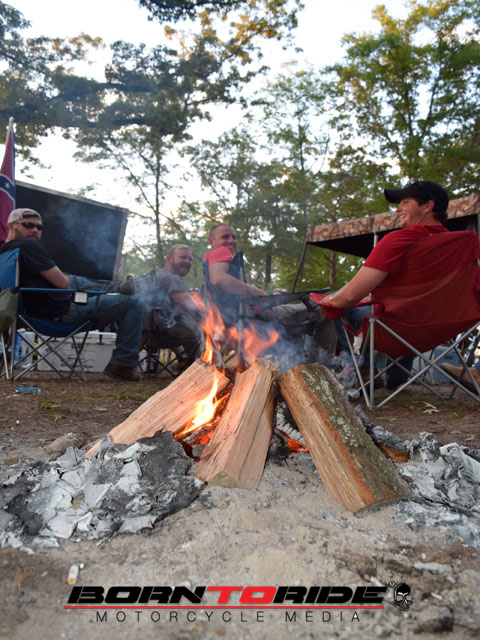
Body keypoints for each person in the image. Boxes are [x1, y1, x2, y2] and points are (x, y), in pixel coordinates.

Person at [320, 179, 450, 389]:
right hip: (440, 329)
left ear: (428, 206)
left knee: (337, 302)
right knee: (406, 312)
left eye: (405, 202)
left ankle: (361, 369)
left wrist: (328, 300)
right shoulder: (461, 245)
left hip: (396, 328)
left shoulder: (398, 240)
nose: (398, 209)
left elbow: (349, 296)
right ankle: (396, 378)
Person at [0, 208, 144, 381]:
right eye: (28, 225)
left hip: (28, 316)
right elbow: (63, 284)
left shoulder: (4, 253)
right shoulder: (29, 246)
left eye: (39, 227)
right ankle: (123, 365)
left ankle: (119, 287)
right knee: (133, 302)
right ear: (11, 226)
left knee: (73, 281)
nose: (35, 230)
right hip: (60, 314)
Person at [204, 223, 337, 359]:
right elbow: (218, 278)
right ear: (211, 241)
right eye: (225, 237)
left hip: (245, 320)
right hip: (262, 317)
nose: (231, 241)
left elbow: (217, 291)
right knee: (325, 307)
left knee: (314, 308)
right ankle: (317, 365)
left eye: (234, 237)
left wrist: (271, 296)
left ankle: (310, 362)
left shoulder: (207, 264)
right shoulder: (221, 251)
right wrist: (256, 292)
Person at [119, 244, 204, 367]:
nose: (188, 262)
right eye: (183, 257)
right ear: (169, 259)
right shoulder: (171, 277)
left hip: (144, 332)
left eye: (190, 259)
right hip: (162, 333)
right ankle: (198, 367)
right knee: (202, 328)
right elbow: (187, 304)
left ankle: (185, 361)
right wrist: (212, 312)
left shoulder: (156, 274)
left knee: (190, 324)